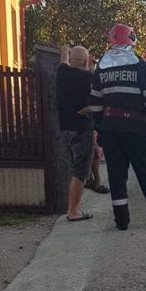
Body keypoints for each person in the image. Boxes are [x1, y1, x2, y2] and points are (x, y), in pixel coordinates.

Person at [87, 24, 146, 231]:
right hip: (135, 127)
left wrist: (100, 130)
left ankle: (121, 220)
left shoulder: (102, 67)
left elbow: (95, 103)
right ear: (131, 40)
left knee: (116, 174)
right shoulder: (140, 66)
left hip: (111, 128)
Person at [56, 44, 96, 222]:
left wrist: (65, 50)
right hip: (82, 129)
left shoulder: (62, 74)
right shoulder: (89, 78)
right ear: (86, 61)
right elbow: (100, 100)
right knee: (80, 171)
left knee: (69, 168)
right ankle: (73, 211)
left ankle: (68, 206)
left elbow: (64, 60)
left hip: (65, 129)